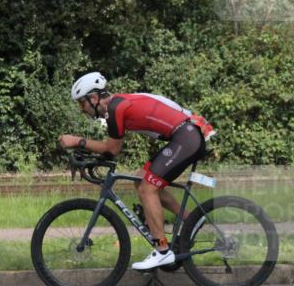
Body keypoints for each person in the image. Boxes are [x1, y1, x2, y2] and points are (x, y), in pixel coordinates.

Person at [58, 72, 215, 271]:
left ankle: (162, 251)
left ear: (94, 98)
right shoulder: (116, 105)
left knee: (146, 189)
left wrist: (78, 141)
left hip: (186, 137)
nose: (82, 109)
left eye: (82, 103)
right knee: (140, 180)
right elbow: (111, 150)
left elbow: (112, 149)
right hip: (186, 135)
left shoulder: (115, 108)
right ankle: (191, 219)